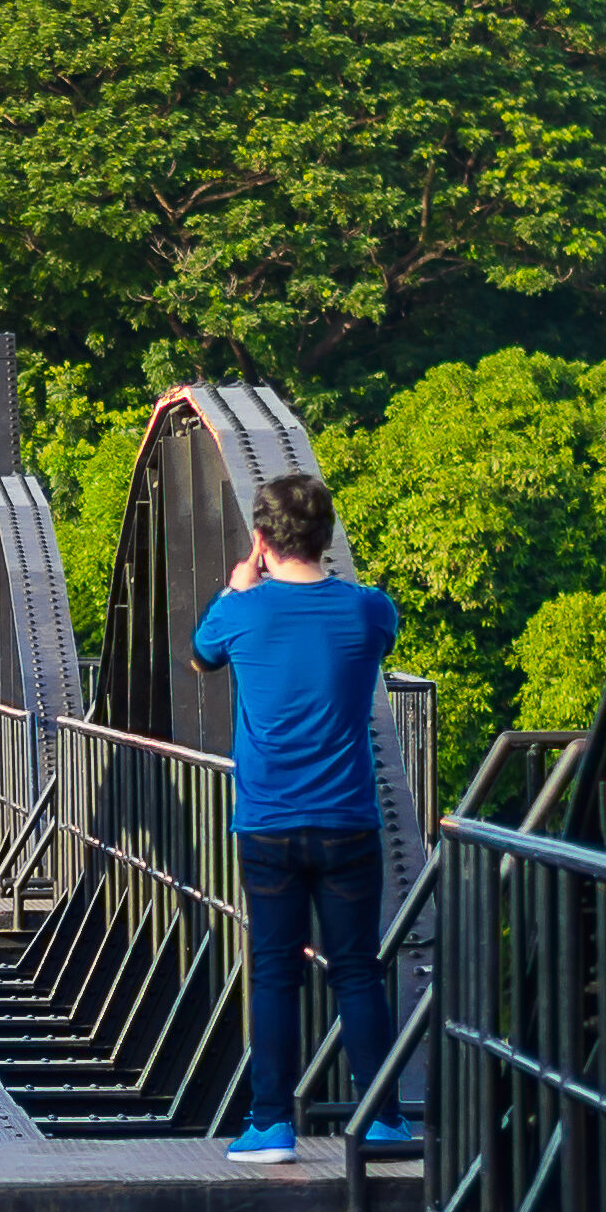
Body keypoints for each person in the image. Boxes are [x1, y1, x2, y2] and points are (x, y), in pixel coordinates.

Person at [188, 468, 412, 1164]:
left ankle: (270, 1125)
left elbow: (200, 659)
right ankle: (381, 1119)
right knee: (356, 968)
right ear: (327, 536)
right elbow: (378, 639)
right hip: (347, 817)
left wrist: (235, 587)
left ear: (260, 540)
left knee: (275, 970)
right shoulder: (369, 610)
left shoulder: (240, 611)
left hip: (267, 822)